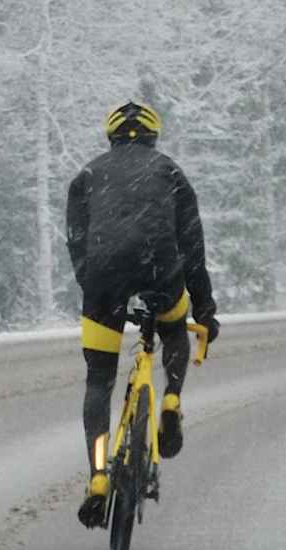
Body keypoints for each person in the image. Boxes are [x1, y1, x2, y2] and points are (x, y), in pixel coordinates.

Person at [66, 101, 219, 528]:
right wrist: (205, 308)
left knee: (99, 379)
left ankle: (98, 477)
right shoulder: (170, 172)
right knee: (173, 330)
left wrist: (96, 290)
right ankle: (171, 399)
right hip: (159, 267)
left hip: (103, 280)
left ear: (110, 135)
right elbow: (192, 247)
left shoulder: (87, 176)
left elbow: (76, 243)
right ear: (153, 135)